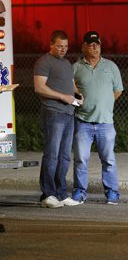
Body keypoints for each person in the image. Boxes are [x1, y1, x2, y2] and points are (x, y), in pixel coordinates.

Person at [72, 31, 124, 205]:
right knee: (80, 159)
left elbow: (118, 91)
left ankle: (112, 192)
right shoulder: (76, 67)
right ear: (84, 46)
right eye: (91, 44)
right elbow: (71, 88)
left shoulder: (111, 67)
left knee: (108, 160)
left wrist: (104, 103)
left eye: (97, 44)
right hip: (83, 122)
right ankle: (79, 192)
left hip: (105, 123)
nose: (95, 47)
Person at [33, 30, 83, 208]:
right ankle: (48, 195)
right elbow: (39, 88)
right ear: (51, 45)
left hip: (69, 112)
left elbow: (71, 85)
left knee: (64, 156)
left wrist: (77, 95)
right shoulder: (44, 62)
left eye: (66, 46)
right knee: (52, 154)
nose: (63, 50)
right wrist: (63, 97)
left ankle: (61, 193)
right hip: (53, 113)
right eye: (60, 46)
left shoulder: (67, 63)